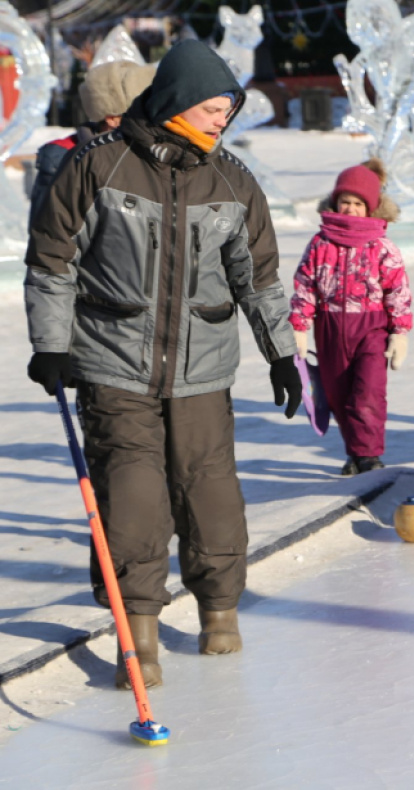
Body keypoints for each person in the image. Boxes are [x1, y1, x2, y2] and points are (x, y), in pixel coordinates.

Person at [24, 40, 302, 687]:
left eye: (228, 108)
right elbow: (52, 262)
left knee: (209, 490)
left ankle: (219, 609)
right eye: (213, 106)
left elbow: (258, 280)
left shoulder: (233, 180)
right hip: (112, 359)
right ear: (177, 101)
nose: (222, 118)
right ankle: (140, 631)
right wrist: (51, 344)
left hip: (202, 365)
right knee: (133, 494)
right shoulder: (98, 169)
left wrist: (282, 355)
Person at [289, 159, 410, 476]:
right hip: (330, 329)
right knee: (339, 395)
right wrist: (299, 327)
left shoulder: (381, 246)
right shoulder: (320, 243)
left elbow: (397, 290)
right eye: (346, 201)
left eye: (358, 203)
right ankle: (356, 453)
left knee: (368, 392)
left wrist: (399, 332)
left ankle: (369, 455)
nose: (351, 208)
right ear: (335, 202)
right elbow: (305, 285)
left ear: (370, 208)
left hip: (371, 329)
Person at [28, 60, 155, 225]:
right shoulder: (64, 158)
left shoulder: (156, 151)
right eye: (142, 113)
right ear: (113, 118)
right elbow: (48, 234)